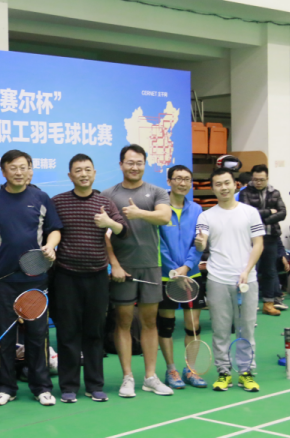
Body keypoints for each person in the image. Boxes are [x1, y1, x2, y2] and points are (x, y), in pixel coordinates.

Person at [0, 149, 62, 407]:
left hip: (36, 280)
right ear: (4, 171)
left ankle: (41, 387)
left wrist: (51, 245)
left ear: (30, 170)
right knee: (4, 336)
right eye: (13, 167)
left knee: (38, 335)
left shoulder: (41, 198)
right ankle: (5, 387)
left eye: (24, 167)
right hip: (4, 280)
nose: (19, 172)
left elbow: (55, 229)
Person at [51, 154, 127, 403]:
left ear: (94, 173)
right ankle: (69, 386)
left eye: (87, 170)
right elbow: (49, 232)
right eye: (78, 170)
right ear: (70, 175)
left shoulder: (105, 203)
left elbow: (123, 231)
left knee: (94, 333)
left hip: (97, 277)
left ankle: (95, 385)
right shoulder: (58, 202)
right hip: (66, 277)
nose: (83, 174)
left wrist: (109, 222)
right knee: (68, 333)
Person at [101, 144, 173, 398]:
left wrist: (138, 213)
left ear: (145, 164)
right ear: (121, 164)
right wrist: (115, 264)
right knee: (123, 322)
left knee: (150, 322)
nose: (134, 167)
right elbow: (104, 235)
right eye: (130, 162)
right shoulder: (108, 195)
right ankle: (127, 377)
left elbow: (164, 217)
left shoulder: (157, 192)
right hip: (123, 268)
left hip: (151, 266)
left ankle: (150, 377)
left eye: (139, 162)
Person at [195, 168, 264, 392]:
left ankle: (246, 373)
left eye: (227, 183)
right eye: (218, 184)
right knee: (220, 329)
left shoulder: (250, 212)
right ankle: (224, 372)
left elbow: (258, 244)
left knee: (246, 329)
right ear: (213, 188)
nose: (223, 188)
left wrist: (247, 270)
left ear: (235, 185)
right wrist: (200, 243)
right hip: (217, 279)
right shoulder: (206, 216)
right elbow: (201, 243)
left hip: (246, 280)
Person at [157, 165, 206, 389]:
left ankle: (191, 368)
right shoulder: (160, 208)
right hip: (166, 277)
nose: (182, 183)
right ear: (169, 181)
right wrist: (174, 270)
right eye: (178, 178)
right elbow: (158, 243)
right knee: (166, 325)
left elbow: (199, 242)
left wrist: (186, 267)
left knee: (193, 325)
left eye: (186, 179)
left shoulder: (197, 210)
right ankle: (171, 369)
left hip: (191, 275)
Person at [239, 164, 287, 316]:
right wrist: (269, 212)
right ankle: (250, 305)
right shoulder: (245, 192)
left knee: (270, 271)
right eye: (255, 179)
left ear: (267, 178)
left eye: (261, 179)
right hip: (251, 239)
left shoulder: (275, 192)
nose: (258, 182)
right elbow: (246, 213)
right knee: (251, 270)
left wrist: (262, 221)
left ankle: (268, 303)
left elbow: (282, 213)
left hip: (271, 237)